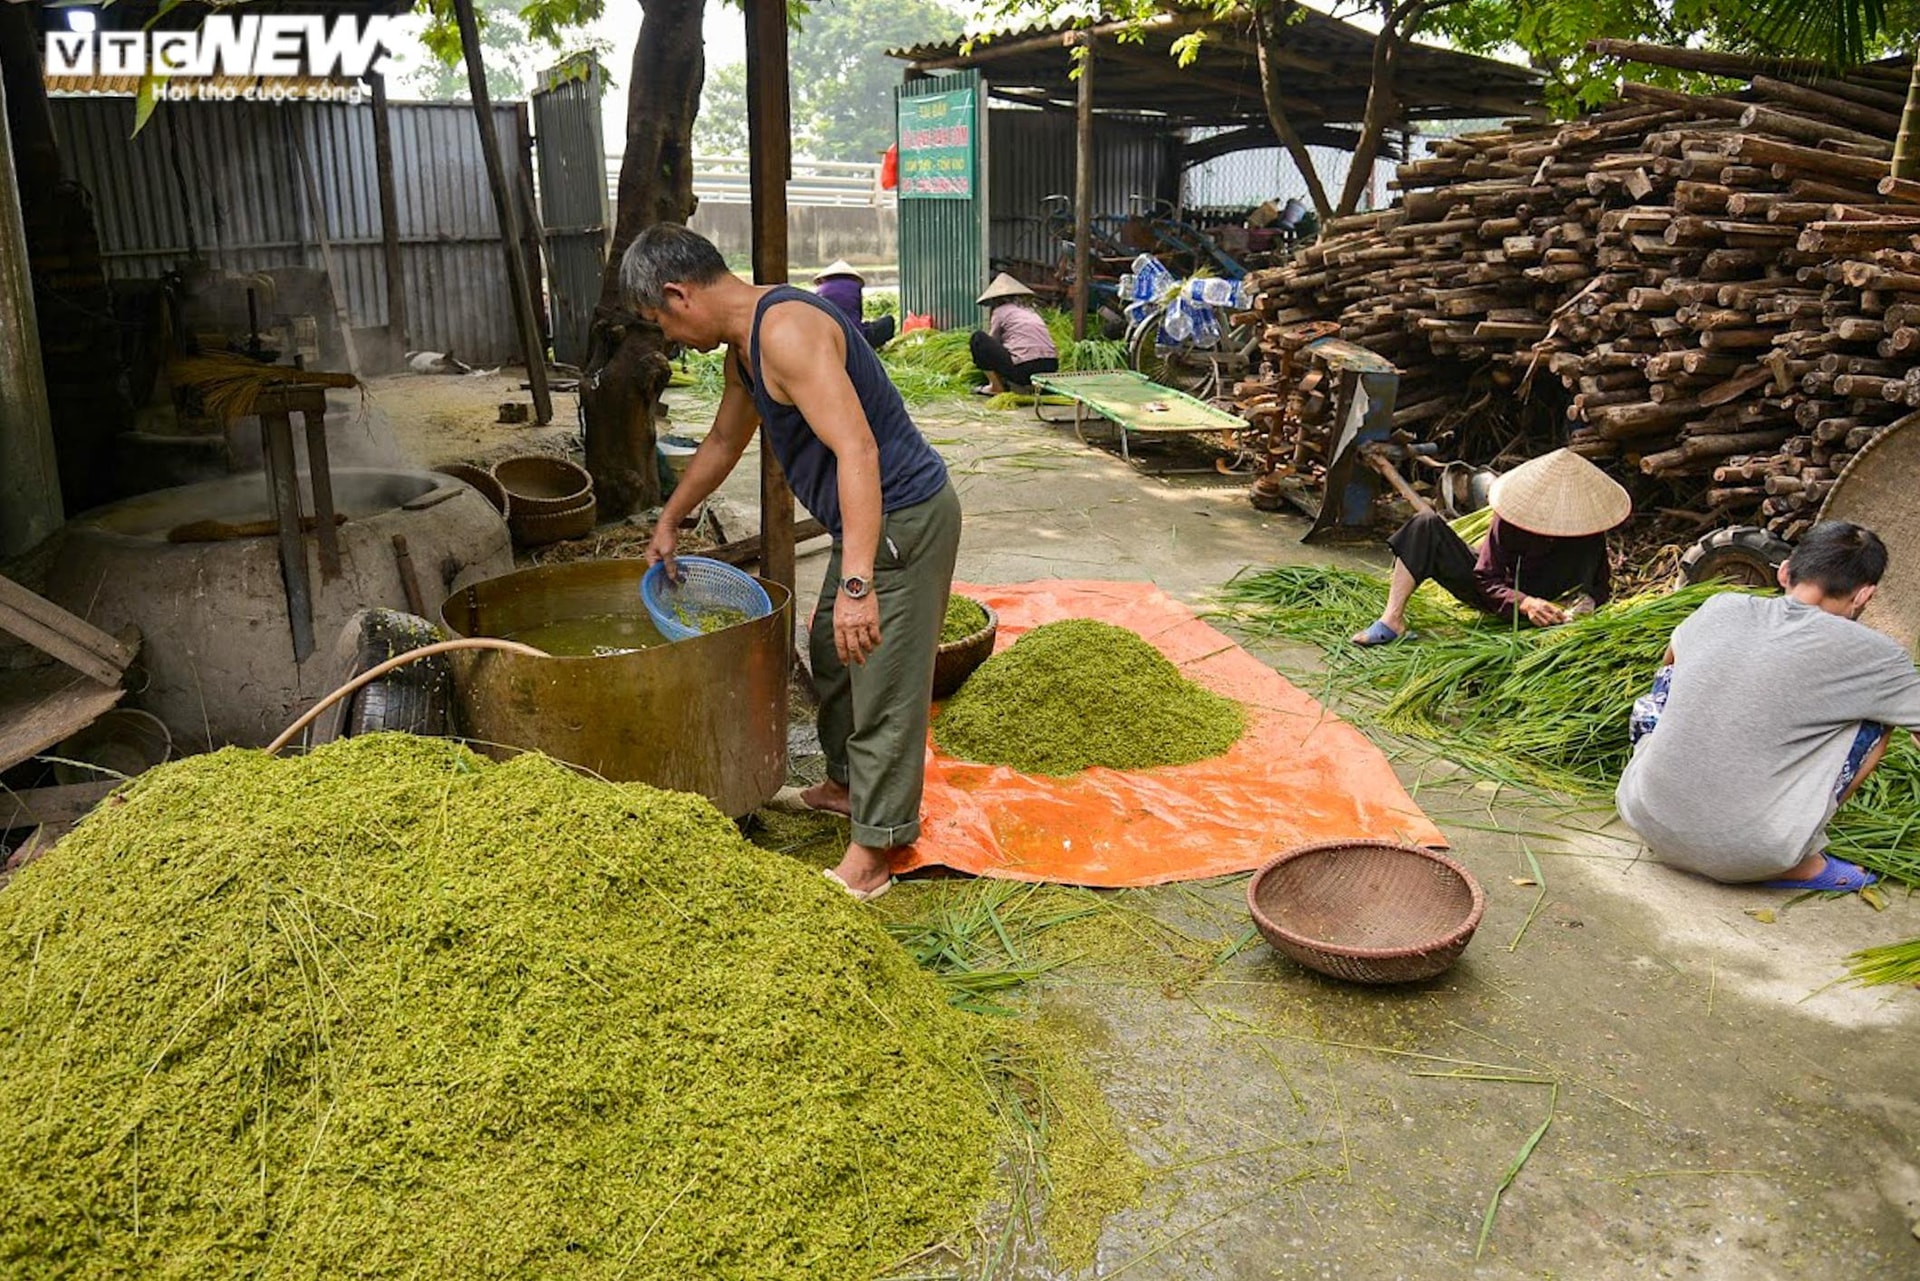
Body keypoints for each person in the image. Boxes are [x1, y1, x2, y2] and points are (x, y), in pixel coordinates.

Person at [625, 224, 961, 903]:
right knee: (829, 650)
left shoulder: (786, 333)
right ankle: (845, 784)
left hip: (904, 514)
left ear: (677, 294)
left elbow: (857, 451)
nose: (666, 340)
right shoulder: (745, 350)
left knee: (880, 672)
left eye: (657, 322)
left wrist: (859, 583)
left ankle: (875, 850)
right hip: (865, 517)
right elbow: (723, 439)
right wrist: (670, 519)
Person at [1616, 521, 1920, 891]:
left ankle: (1681, 804)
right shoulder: (1879, 656)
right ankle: (1801, 863)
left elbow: (1669, 669)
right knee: (1878, 721)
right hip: (1755, 853)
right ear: (1864, 596)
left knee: (1672, 679)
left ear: (1785, 571)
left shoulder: (1720, 606)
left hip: (1643, 814)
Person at [1352, 447, 1630, 646]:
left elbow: (1600, 587)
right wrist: (1524, 603)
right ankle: (1392, 620)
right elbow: (1486, 578)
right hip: (1504, 597)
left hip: (1555, 612)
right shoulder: (1513, 518)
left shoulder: (1588, 531)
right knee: (1424, 525)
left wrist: (1586, 603)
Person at [970, 273, 1059, 395]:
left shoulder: (1000, 311)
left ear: (996, 300)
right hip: (1051, 367)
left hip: (1024, 369)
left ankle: (995, 387)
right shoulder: (1030, 311)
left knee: (978, 339)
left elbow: (993, 341)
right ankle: (1030, 386)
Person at [813, 260, 895, 350]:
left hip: (825, 337)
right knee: (888, 322)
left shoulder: (820, 290)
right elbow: (858, 315)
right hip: (853, 337)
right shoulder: (854, 286)